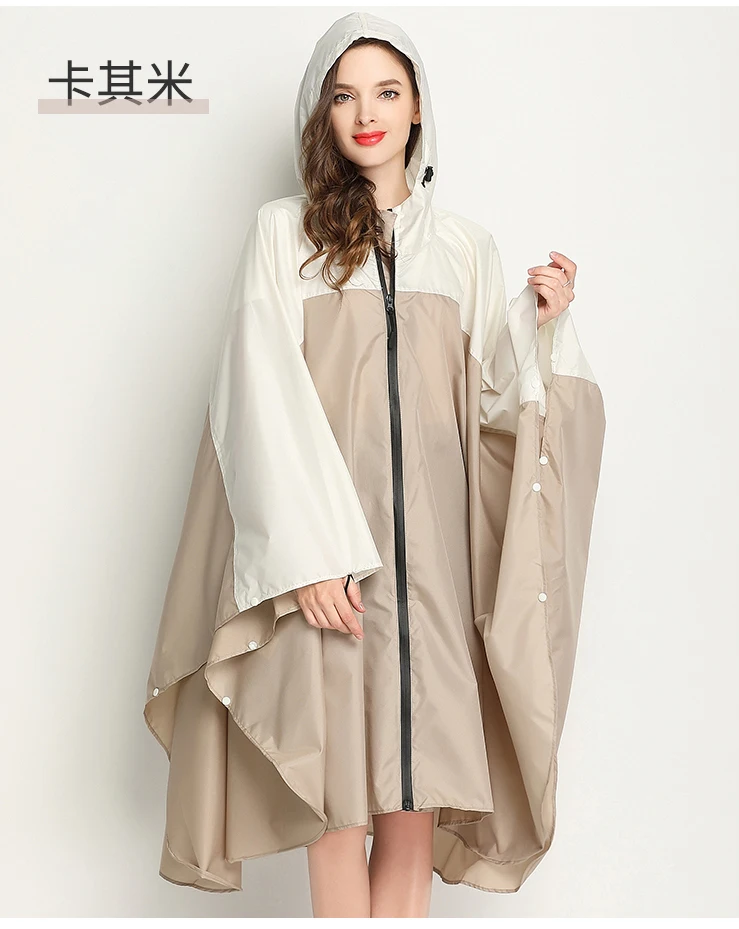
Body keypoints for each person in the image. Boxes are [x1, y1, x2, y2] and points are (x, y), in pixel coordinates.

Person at [143, 11, 606, 919]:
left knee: (408, 814)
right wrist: (309, 555)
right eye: (345, 95)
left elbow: (493, 408)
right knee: (336, 814)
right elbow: (257, 389)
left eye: (387, 92)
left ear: (417, 107)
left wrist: (543, 330)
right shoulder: (285, 233)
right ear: (320, 112)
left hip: (430, 580)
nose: (367, 114)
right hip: (329, 576)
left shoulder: (465, 248)